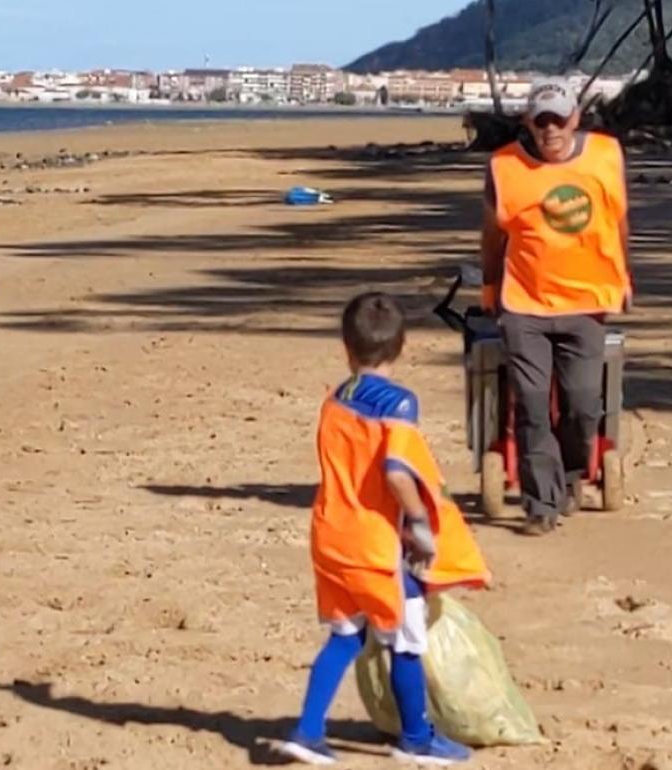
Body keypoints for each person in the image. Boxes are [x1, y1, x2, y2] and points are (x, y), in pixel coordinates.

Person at [276, 293, 491, 766]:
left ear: (346, 348)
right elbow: (396, 471)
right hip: (377, 544)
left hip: (331, 533)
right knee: (406, 639)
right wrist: (419, 523)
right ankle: (416, 738)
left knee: (346, 636)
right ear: (402, 346)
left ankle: (308, 730)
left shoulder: (335, 398)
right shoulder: (400, 404)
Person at [480, 77, 633, 535]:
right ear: (529, 122)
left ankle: (569, 477)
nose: (551, 129)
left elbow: (619, 221)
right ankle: (540, 504)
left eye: (559, 119)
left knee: (583, 403)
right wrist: (489, 287)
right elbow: (492, 236)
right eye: (541, 120)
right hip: (524, 303)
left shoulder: (606, 156)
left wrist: (624, 275)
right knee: (529, 402)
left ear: (575, 117)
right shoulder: (504, 167)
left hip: (586, 300)